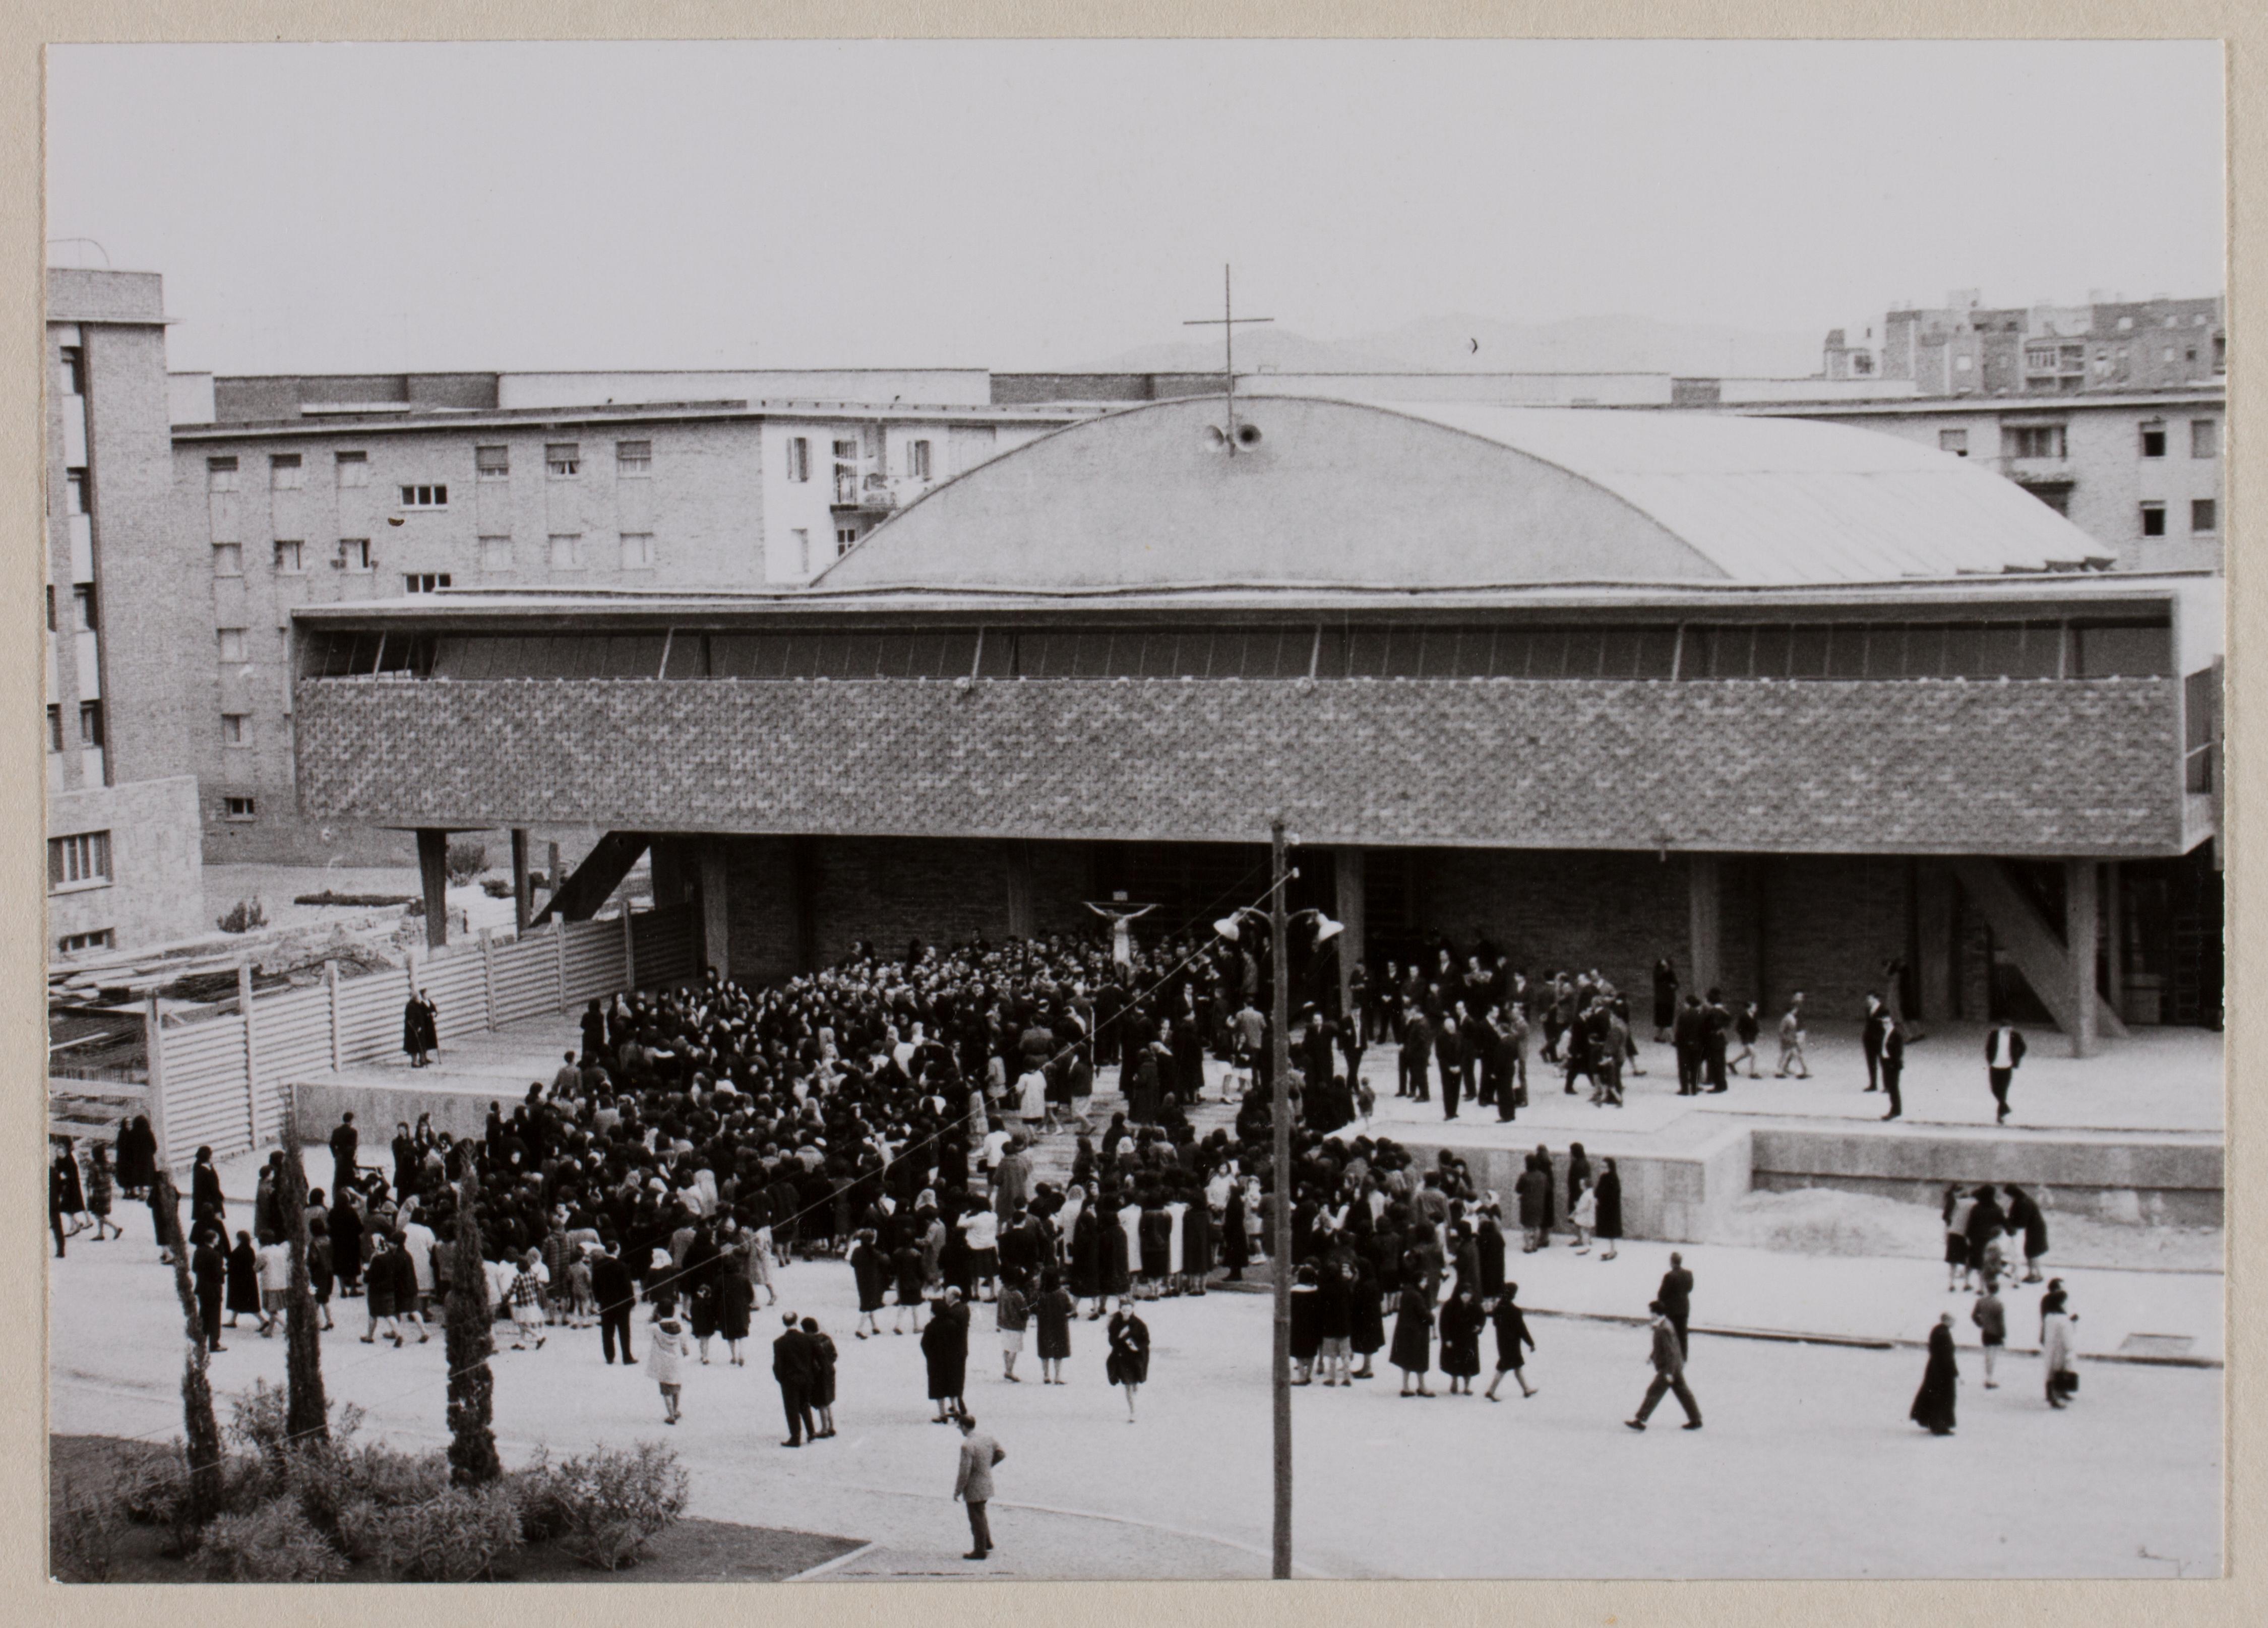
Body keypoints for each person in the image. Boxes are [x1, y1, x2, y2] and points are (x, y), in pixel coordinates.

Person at [1626, 1300, 1702, 1431]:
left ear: (1656, 1313)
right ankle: (1696, 1420)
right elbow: (1663, 1348)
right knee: (1683, 1393)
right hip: (1675, 1366)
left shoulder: (1663, 1329)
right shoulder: (1666, 1324)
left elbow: (1671, 1352)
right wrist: (1652, 1357)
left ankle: (1640, 1421)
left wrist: (1669, 1373)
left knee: (1654, 1391)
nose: (1650, 1315)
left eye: (1651, 1312)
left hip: (1669, 1368)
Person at [953, 1413, 1006, 1561]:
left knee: (976, 1517)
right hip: (987, 1482)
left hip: (974, 1486)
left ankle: (980, 1550)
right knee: (981, 1513)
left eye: (960, 1427)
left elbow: (964, 1471)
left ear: (964, 1427)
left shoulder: (967, 1446)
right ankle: (987, 1542)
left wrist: (958, 1491)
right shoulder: (987, 1438)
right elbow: (1001, 1454)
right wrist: (988, 1466)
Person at [924, 1286, 972, 1423]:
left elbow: (926, 1344)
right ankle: (957, 1407)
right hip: (957, 1351)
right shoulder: (963, 1309)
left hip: (952, 1352)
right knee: (956, 1378)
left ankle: (955, 1408)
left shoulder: (952, 1313)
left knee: (954, 1380)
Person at [1484, 1283, 1538, 1400]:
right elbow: (1522, 1330)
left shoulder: (1498, 1309)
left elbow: (1495, 1323)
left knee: (1516, 1367)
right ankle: (1491, 1391)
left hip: (1502, 1343)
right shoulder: (1515, 1311)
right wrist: (1531, 1343)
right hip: (1513, 1344)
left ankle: (1526, 1390)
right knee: (1504, 1368)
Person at [773, 1310, 819, 1445]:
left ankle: (796, 1437)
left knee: (791, 1409)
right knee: (805, 1405)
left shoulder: (779, 1343)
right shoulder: (808, 1339)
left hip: (789, 1380)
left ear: (784, 1323)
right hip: (807, 1378)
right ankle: (811, 1432)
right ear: (796, 1322)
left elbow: (778, 1365)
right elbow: (817, 1357)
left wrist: (781, 1379)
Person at [1910, 1312, 1959, 1435]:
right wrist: (1954, 1371)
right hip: (1943, 1371)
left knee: (1933, 1394)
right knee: (1944, 1398)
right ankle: (1940, 1425)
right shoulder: (1945, 1334)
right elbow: (1947, 1355)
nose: (1954, 1323)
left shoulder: (1937, 1331)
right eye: (1953, 1320)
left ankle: (1931, 1422)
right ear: (1947, 1320)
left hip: (1934, 1368)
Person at [1105, 1298, 1150, 1421]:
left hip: (1136, 1358)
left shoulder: (1139, 1324)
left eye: (1128, 1310)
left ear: (1132, 1310)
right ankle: (1133, 1412)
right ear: (1120, 1310)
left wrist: (1136, 1346)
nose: (1126, 1312)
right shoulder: (1115, 1324)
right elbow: (1112, 1341)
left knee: (1134, 1382)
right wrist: (1119, 1337)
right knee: (1128, 1385)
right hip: (1122, 1357)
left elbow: (1146, 1341)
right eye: (1124, 1310)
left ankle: (1135, 1386)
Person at [593, 1239, 637, 1365]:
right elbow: (627, 1286)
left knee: (607, 1330)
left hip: (605, 1301)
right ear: (616, 1250)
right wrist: (632, 1301)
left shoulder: (598, 1265)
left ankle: (609, 1356)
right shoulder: (622, 1266)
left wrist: (598, 1300)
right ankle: (627, 1356)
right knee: (624, 1330)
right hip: (622, 1303)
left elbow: (595, 1285)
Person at [1390, 1279, 1435, 1398]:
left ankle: (1406, 1387)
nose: (1426, 1283)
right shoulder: (1417, 1296)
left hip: (1406, 1332)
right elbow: (1425, 1314)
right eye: (1424, 1281)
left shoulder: (1407, 1293)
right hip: (1418, 1332)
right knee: (1421, 1359)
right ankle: (1422, 1386)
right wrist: (1432, 1318)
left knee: (1407, 1360)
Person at [648, 1303, 690, 1425]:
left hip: (662, 1362)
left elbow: (647, 1330)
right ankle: (676, 1411)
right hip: (677, 1361)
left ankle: (670, 1415)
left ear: (659, 1313)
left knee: (665, 1390)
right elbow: (684, 1344)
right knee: (676, 1387)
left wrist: (654, 1318)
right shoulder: (681, 1327)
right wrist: (686, 1351)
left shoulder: (656, 1328)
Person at [1438, 1284, 1484, 1396]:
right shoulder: (1450, 1305)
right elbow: (1444, 1324)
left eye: (1468, 1294)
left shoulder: (1475, 1305)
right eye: (1464, 1294)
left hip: (1470, 1340)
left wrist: (1479, 1326)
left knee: (1469, 1363)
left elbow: (1482, 1317)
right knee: (1455, 1362)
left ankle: (1467, 1387)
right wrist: (1447, 1339)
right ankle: (1454, 1382)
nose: (1466, 1296)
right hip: (1455, 1339)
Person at [2041, 1280, 2079, 1408]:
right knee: (2060, 1369)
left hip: (2051, 1341)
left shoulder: (2049, 1315)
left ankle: (2053, 1394)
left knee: (2050, 1368)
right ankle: (2057, 1395)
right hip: (2060, 1346)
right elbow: (2068, 1339)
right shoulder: (2062, 1319)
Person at [191, 1223, 228, 1350]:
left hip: (201, 1287)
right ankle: (214, 1343)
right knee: (214, 1317)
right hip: (213, 1289)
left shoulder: (198, 1251)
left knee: (204, 1314)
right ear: (213, 1240)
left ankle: (201, 1340)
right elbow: (218, 1273)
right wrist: (224, 1271)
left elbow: (194, 1268)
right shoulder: (215, 1255)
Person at [2003, 1185, 2050, 1282]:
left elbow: (2021, 1223)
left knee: (2032, 1252)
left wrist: (2009, 1224)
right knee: (2032, 1252)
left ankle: (2034, 1275)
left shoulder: (2023, 1203)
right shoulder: (2022, 1200)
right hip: (2035, 1228)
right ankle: (2036, 1274)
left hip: (2036, 1230)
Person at [1985, 1021, 2027, 1125]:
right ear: (2002, 1028)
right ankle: (2005, 1108)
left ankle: (2000, 1115)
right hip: (1995, 1066)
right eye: (2006, 1029)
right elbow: (1988, 1048)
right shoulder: (1994, 1035)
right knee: (1994, 1089)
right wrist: (1990, 1060)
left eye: (2010, 1029)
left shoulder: (2015, 1035)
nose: (2008, 1031)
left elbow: (2023, 1048)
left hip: (2007, 1067)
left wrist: (2016, 1058)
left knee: (2003, 1090)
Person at [1035, 1269, 1073, 1384]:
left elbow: (1033, 1308)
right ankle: (1057, 1376)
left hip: (1044, 1325)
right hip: (1060, 1325)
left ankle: (1046, 1376)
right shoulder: (1062, 1293)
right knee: (1059, 1351)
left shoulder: (1039, 1294)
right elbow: (1069, 1308)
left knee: (1045, 1350)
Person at [806, 1316, 840, 1438]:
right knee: (828, 1400)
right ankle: (831, 1426)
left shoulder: (811, 1341)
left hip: (819, 1374)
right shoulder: (826, 1338)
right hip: (830, 1371)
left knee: (821, 1402)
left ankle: (824, 1428)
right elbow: (834, 1355)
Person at [1657, 1251, 1694, 1358]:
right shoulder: (1689, 1274)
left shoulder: (1669, 1276)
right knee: (1683, 1333)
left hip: (1672, 1310)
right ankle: (1684, 1356)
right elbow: (1690, 1289)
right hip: (1684, 1308)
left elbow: (1662, 1294)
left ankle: (1672, 1355)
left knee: (1671, 1333)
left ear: (1672, 1262)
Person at [996, 1270, 1030, 1382]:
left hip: (1004, 1324)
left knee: (1006, 1348)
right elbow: (1024, 1310)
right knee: (1014, 1349)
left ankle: (1007, 1369)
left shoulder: (1002, 1291)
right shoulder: (1017, 1294)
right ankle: (1010, 1371)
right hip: (1016, 1325)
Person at [1971, 1281, 2006, 1389]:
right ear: (1998, 1290)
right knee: (1993, 1356)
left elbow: (1974, 1316)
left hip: (1985, 1331)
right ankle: (1990, 1379)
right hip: (1995, 1333)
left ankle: (1988, 1378)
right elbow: (2001, 1322)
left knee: (1987, 1356)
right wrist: (2003, 1335)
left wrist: (1981, 1324)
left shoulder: (1981, 1301)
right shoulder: (1998, 1304)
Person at [84, 1144, 122, 1241]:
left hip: (98, 1191)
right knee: (101, 1213)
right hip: (107, 1190)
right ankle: (101, 1233)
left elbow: (90, 1180)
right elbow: (114, 1172)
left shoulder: (93, 1166)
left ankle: (116, 1228)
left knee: (98, 1214)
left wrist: (88, 1190)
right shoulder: (108, 1164)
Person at [225, 1230, 260, 1330]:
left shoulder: (238, 1251)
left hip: (239, 1280)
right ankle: (233, 1320)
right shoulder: (250, 1250)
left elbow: (232, 1264)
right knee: (245, 1302)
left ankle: (262, 1321)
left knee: (243, 1302)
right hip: (249, 1279)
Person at [1774, 993, 1810, 1079]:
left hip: (1791, 1040)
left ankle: (1798, 1073)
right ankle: (1782, 1072)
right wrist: (1787, 1038)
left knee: (1794, 1055)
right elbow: (1782, 1031)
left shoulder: (1791, 1018)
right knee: (1788, 1055)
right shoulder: (1788, 1018)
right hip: (1788, 1040)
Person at [1594, 1158, 1623, 1261]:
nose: (1602, 1169)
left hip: (1611, 1209)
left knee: (1612, 1232)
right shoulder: (1604, 1177)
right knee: (1609, 1232)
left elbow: (1613, 1194)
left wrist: (1601, 1199)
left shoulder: (1613, 1178)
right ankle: (1611, 1250)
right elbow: (1598, 1190)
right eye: (1601, 1167)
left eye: (1604, 1167)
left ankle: (1612, 1251)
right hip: (1605, 1208)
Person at [403, 987, 439, 1068]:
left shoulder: (418, 1005)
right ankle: (414, 1062)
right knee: (414, 1047)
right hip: (413, 1031)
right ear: (415, 998)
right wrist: (416, 1027)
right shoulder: (411, 1006)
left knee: (421, 1044)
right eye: (419, 997)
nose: (421, 999)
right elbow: (410, 1020)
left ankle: (423, 1060)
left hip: (420, 1029)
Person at [1879, 1018, 1906, 1120]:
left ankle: (1896, 1110)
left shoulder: (1896, 1035)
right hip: (1887, 1063)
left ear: (1891, 1023)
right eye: (1883, 1023)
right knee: (1891, 1087)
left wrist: (1892, 1064)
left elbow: (1898, 1052)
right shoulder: (1886, 1034)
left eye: (1887, 1023)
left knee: (1894, 1088)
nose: (1884, 1025)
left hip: (1892, 1065)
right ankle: (1895, 1109)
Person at [1861, 992, 1888, 1093]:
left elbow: (1886, 1025)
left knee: (1883, 1063)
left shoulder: (1883, 1010)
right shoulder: (1868, 1010)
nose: (1868, 1001)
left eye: (1870, 999)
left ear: (1877, 999)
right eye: (1868, 999)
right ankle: (1873, 1084)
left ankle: (1887, 1086)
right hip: (1869, 1039)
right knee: (1871, 1062)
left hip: (1879, 1039)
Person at [328, 1112, 359, 1195]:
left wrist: (336, 1154)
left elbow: (332, 1144)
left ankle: (337, 1197)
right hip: (349, 1160)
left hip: (339, 1159)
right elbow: (353, 1146)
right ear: (351, 1121)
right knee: (349, 1181)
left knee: (338, 1180)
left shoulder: (336, 1131)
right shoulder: (353, 1132)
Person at [1570, 1176, 1597, 1254]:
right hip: (1588, 1217)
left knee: (1584, 1233)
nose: (1580, 1186)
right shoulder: (1589, 1194)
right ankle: (1587, 1247)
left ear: (1586, 1185)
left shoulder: (1586, 1195)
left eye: (1582, 1184)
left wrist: (1576, 1210)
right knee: (1586, 1233)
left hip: (1585, 1218)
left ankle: (1586, 1248)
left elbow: (1583, 1207)